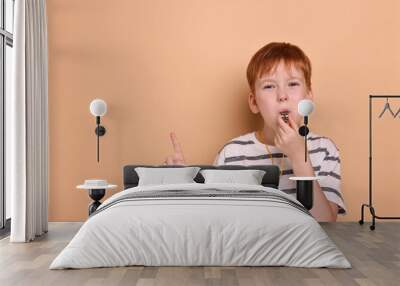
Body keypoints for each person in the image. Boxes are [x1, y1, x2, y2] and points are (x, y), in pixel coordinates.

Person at [164, 42, 346, 222]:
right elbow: (214, 219)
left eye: (292, 84)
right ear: (254, 102)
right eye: (269, 86)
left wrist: (299, 157)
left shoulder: (325, 150)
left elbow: (326, 222)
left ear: (308, 95)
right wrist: (184, 187)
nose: (282, 95)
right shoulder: (233, 153)